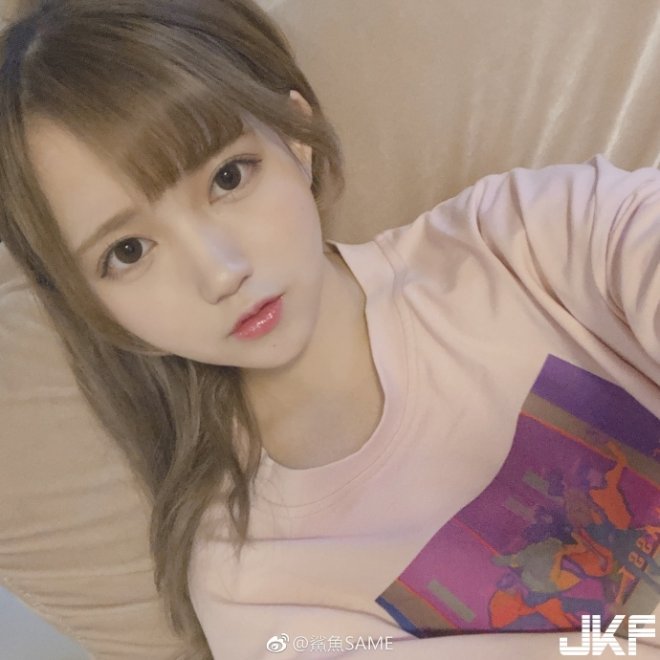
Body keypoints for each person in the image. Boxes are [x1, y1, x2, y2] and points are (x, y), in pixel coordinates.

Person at [0, 1, 658, 658]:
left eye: (228, 177)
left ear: (298, 139)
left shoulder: (523, 239)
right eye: (128, 252)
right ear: (93, 305)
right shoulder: (258, 598)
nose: (221, 272)